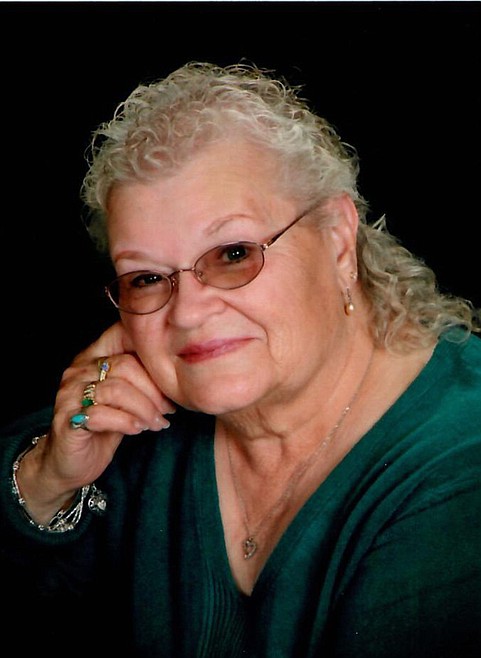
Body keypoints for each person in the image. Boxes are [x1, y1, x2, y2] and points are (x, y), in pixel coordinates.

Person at [1, 62, 480, 657]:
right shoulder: (136, 426)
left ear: (338, 241)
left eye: (232, 253)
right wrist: (49, 477)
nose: (187, 313)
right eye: (146, 277)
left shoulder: (462, 463)